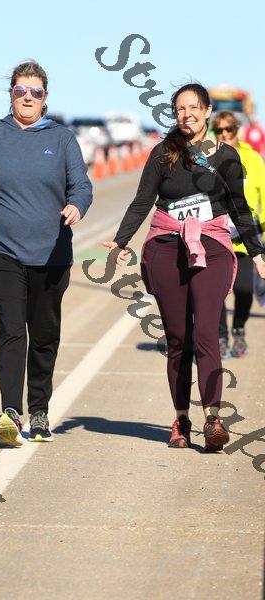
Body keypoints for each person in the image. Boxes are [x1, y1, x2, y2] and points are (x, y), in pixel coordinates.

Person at [102, 83, 265, 451]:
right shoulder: (164, 153)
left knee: (206, 331)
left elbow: (239, 207)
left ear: (206, 111)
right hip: (166, 249)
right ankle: (181, 419)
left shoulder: (226, 156)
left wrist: (257, 252)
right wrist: (121, 241)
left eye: (193, 107)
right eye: (180, 109)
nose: (186, 114)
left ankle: (212, 419)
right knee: (178, 340)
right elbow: (142, 201)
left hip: (212, 249)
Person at [0, 60, 92, 446]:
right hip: (3, 252)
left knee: (45, 335)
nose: (28, 97)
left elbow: (81, 186)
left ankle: (40, 411)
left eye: (35, 92)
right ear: (11, 95)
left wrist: (77, 205)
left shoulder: (62, 139)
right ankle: (11, 413)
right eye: (20, 91)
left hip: (52, 255)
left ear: (45, 97)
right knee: (12, 330)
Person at [213, 111, 265, 358]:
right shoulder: (208, 158)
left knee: (244, 289)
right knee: (217, 291)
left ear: (237, 130)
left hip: (245, 237)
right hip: (217, 235)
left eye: (229, 129)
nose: (224, 134)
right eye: (219, 130)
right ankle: (221, 336)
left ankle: (239, 329)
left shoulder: (252, 158)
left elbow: (263, 193)